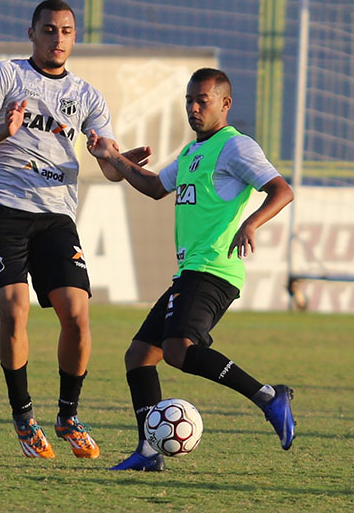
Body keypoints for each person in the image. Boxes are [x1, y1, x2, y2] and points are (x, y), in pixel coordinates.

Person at [0, 0, 148, 460]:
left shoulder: (87, 96)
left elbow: (109, 169)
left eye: (66, 31)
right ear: (32, 34)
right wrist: (4, 130)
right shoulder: (6, 75)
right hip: (2, 210)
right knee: (14, 311)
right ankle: (24, 415)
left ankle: (68, 415)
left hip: (56, 218)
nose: (57, 38)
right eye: (48, 30)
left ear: (74, 37)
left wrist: (115, 159)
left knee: (78, 317)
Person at [87, 67, 296, 471]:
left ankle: (269, 397)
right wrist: (112, 157)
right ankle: (149, 452)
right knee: (139, 356)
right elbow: (154, 187)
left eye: (203, 100)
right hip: (190, 272)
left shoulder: (235, 147)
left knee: (178, 350)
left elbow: (281, 190)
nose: (194, 108)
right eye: (189, 101)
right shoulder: (190, 154)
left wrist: (251, 223)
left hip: (213, 269)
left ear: (225, 104)